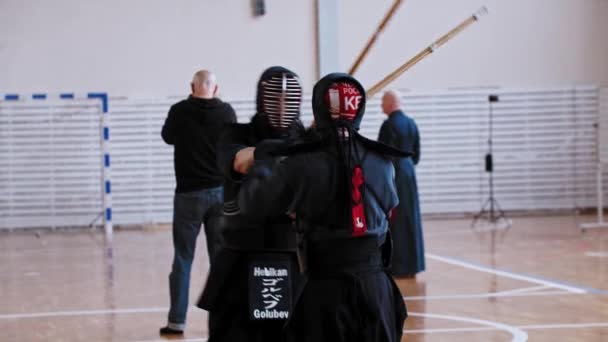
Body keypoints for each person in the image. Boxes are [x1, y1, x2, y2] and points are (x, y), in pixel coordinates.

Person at [238, 73, 408, 342]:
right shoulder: (383, 162)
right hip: (376, 289)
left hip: (325, 290)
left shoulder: (299, 165)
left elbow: (253, 204)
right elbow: (389, 208)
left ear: (318, 108)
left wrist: (261, 162)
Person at [197, 66, 304, 342]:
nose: (281, 105)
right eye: (274, 97)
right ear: (261, 98)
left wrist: (316, 144)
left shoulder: (306, 140)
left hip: (296, 260)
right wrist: (281, 148)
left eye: (286, 98)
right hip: (241, 260)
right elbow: (239, 161)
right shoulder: (235, 135)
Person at [160, 70, 236, 335]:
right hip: (218, 193)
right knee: (220, 260)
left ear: (191, 86)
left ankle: (176, 322)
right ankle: (223, 323)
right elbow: (233, 148)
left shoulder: (179, 111)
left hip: (187, 195)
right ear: (215, 89)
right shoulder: (226, 113)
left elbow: (167, 137)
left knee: (183, 258)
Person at [378, 90, 425, 278]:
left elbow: (382, 153)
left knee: (395, 218)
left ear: (391, 104)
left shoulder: (388, 125)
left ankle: (397, 265)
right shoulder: (412, 124)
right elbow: (417, 154)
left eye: (382, 102)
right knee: (410, 217)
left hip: (393, 173)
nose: (381, 105)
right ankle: (413, 264)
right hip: (409, 172)